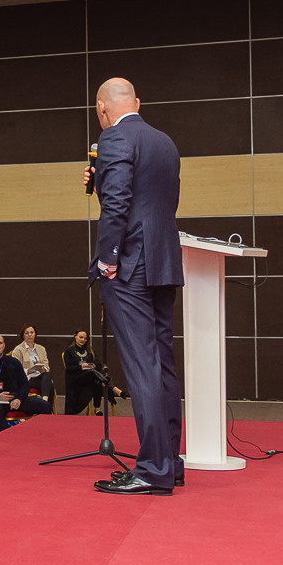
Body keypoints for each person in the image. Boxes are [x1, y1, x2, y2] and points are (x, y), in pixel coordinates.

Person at [86, 76, 184, 496]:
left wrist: (107, 260)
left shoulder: (112, 138)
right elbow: (150, 200)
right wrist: (102, 183)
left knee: (142, 367)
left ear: (102, 108)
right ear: (137, 103)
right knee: (161, 363)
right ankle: (169, 463)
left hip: (129, 267)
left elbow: (121, 205)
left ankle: (152, 470)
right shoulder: (164, 142)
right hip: (163, 261)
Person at [0, 334, 53, 433]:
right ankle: (8, 435)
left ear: (4, 345)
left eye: (0, 343)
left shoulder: (13, 362)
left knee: (45, 405)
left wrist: (19, 398)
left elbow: (25, 385)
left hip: (16, 399)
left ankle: (40, 434)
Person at [63, 331, 115, 416]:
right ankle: (112, 388)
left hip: (88, 377)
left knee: (97, 382)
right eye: (80, 337)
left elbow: (98, 365)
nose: (83, 340)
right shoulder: (69, 351)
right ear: (75, 337)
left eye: (85, 338)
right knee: (93, 373)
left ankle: (97, 409)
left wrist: (95, 366)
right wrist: (81, 367)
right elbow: (69, 368)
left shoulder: (89, 351)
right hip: (75, 378)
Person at [13, 327, 56, 407]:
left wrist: (42, 368)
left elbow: (47, 366)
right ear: (23, 335)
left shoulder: (41, 349)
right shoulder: (18, 350)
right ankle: (47, 409)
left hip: (41, 377)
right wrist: (29, 370)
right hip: (27, 378)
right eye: (27, 333)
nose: (30, 335)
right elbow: (15, 370)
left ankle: (44, 401)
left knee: (47, 375)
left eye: (32, 332)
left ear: (35, 334)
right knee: (49, 385)